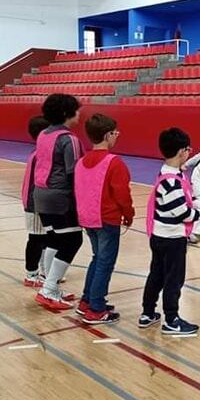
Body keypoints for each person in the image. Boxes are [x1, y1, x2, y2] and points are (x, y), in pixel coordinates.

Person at [140, 127, 200, 335]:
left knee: (156, 274)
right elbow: (182, 212)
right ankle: (171, 319)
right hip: (171, 237)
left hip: (159, 234)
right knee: (174, 278)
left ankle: (148, 313)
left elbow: (185, 200)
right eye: (188, 149)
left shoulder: (170, 174)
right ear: (182, 151)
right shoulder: (172, 180)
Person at [74, 114, 134, 325]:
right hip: (107, 219)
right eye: (115, 133)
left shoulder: (82, 161)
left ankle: (87, 300)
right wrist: (129, 213)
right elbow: (122, 194)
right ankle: (96, 308)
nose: (117, 136)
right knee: (105, 263)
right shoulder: (114, 162)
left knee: (97, 258)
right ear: (108, 135)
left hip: (88, 218)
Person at [33, 93, 84, 311]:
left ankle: (49, 286)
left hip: (41, 194)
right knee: (73, 241)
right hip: (60, 197)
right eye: (77, 109)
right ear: (67, 113)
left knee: (54, 238)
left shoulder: (43, 134)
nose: (80, 113)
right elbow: (74, 173)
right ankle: (49, 288)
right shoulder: (69, 139)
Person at [21, 115, 50, 289]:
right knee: (36, 239)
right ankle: (31, 273)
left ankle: (45, 271)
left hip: (36, 201)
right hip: (35, 203)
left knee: (44, 238)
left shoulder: (38, 152)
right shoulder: (40, 155)